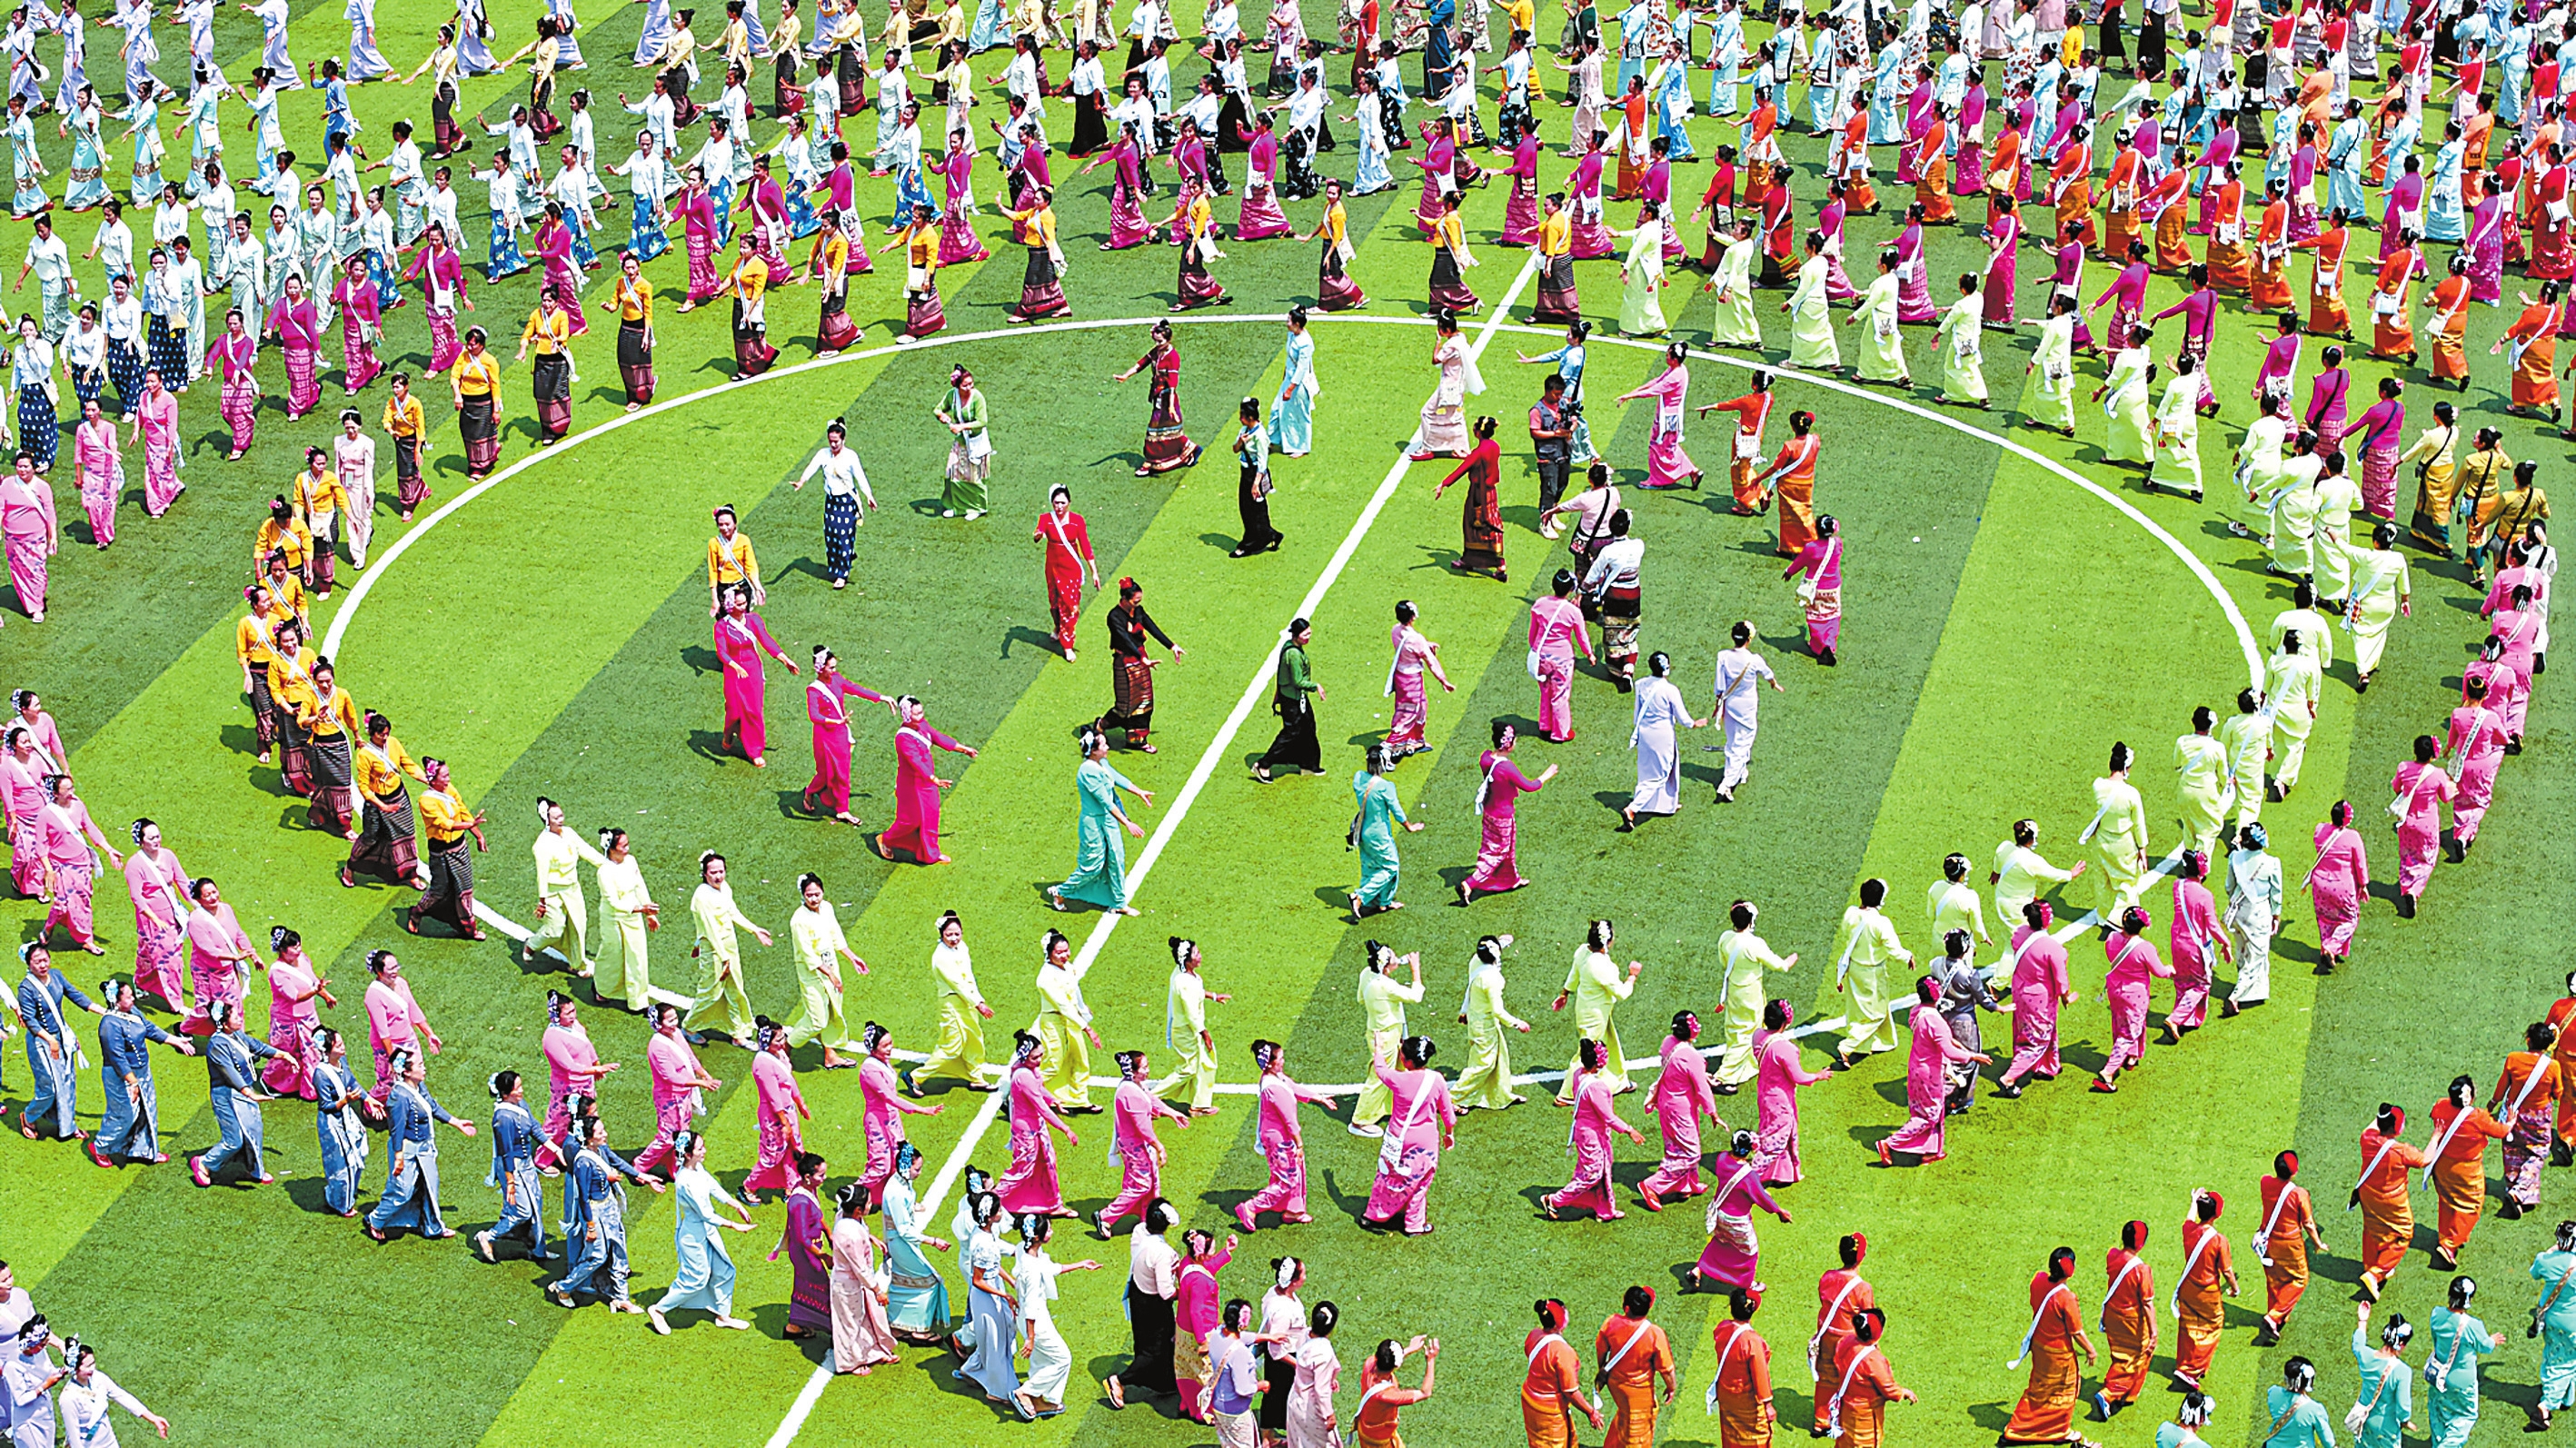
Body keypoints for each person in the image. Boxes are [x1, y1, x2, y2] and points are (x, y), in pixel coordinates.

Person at [1875, 974, 1990, 1164]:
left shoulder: (1917, 1011)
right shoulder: (1935, 1020)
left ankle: (1931, 1150)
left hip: (1917, 1067)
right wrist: (1974, 1056)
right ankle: (1889, 1143)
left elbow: (1941, 1039)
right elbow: (1948, 1050)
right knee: (1930, 1115)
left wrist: (1958, 1045)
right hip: (1930, 1072)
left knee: (1931, 1110)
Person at [2000, 1245, 2097, 1444]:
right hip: (2059, 1355)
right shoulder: (2067, 1298)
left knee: (2039, 1389)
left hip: (2039, 1347)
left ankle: (2019, 1427)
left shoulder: (2038, 1280)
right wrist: (2091, 1350)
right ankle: (2059, 1430)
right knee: (2064, 1391)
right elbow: (2076, 1332)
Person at [1543, 1036, 1646, 1220]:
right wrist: (1630, 1130)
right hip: (1592, 1134)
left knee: (1603, 1168)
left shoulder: (1578, 1074)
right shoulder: (1597, 1087)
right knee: (1593, 1173)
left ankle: (1605, 1209)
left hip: (1587, 1131)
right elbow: (1608, 1117)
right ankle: (1554, 1200)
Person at [1362, 1035, 1453, 1235]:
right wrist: (1449, 1134)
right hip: (1425, 1142)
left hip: (1397, 1138)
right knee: (1420, 1181)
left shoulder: (1398, 1079)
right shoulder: (1437, 1079)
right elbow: (1448, 1113)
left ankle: (1374, 1215)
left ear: (1407, 1061)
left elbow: (1380, 1069)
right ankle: (1414, 1224)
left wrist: (1378, 1048)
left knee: (1387, 1176)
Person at [1097, 577, 1182, 753]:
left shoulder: (1138, 611)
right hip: (1125, 662)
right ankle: (1102, 724)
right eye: (1135, 601)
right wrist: (1142, 658)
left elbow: (1152, 627)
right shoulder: (1114, 616)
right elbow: (1124, 639)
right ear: (1125, 599)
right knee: (1125, 705)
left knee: (1145, 701)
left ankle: (1137, 739)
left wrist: (1171, 646)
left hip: (1141, 659)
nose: (1137, 604)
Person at [1824, 1308, 1914, 1444]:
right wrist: (1903, 1392)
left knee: (1844, 1443)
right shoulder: (1873, 1360)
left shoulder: (1846, 1341)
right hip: (1865, 1416)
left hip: (1846, 1407)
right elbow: (1888, 1389)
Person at [2423, 1275, 2493, 1448]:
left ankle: (2438, 1442)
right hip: (2463, 1381)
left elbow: (2435, 1338)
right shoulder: (2473, 1325)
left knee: (2438, 1411)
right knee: (2466, 1416)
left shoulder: (2436, 1314)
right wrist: (2493, 1340)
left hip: (2438, 1375)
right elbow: (2486, 1346)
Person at [1255, 618, 1323, 783]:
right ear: (1296, 635)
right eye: (1305, 634)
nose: (1308, 637)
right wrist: (1315, 686)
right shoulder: (1293, 654)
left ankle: (1308, 764)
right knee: (1291, 733)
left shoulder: (1292, 647)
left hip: (1297, 697)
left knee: (1308, 728)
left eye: (1309, 633)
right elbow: (1297, 681)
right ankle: (1264, 764)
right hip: (1292, 700)